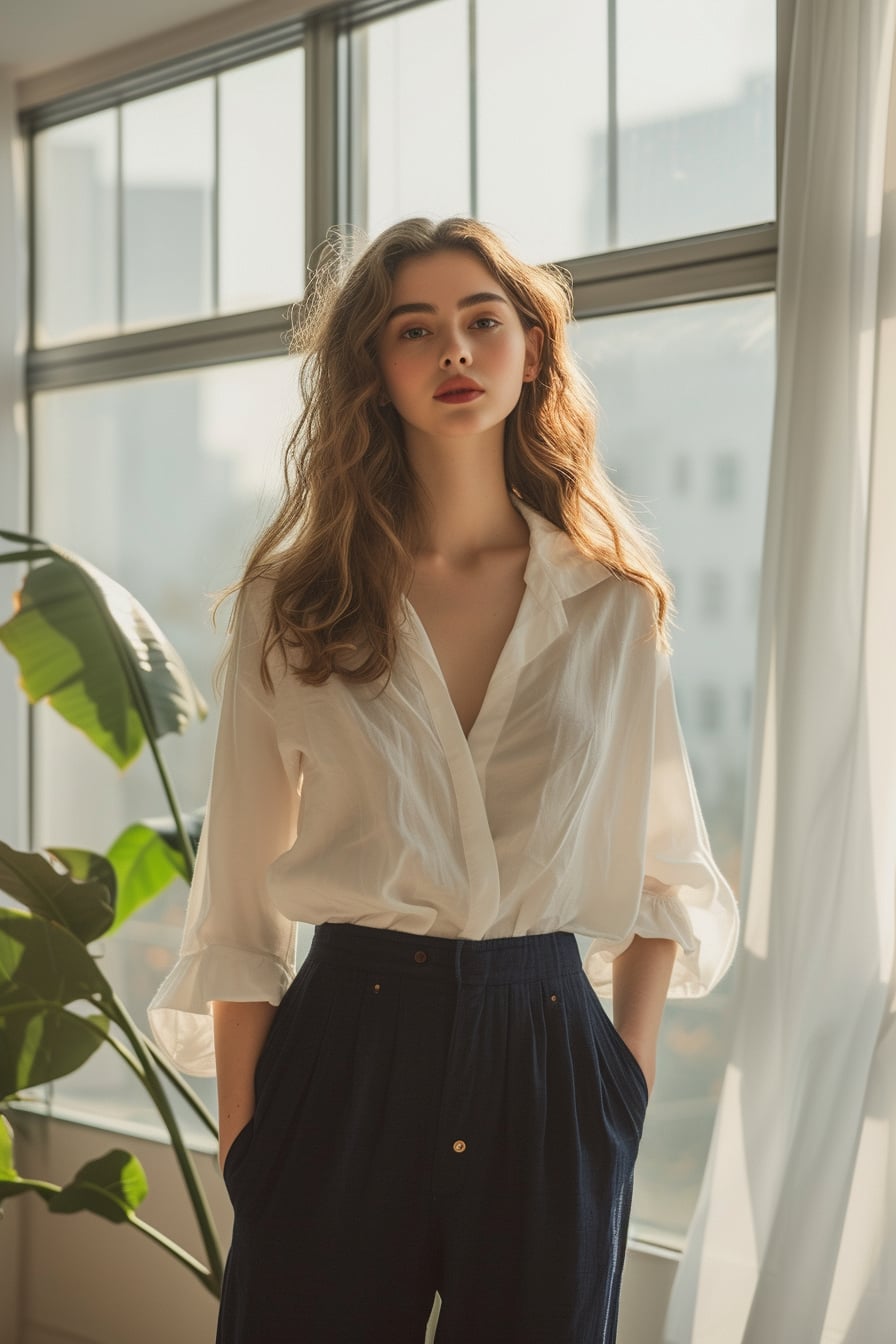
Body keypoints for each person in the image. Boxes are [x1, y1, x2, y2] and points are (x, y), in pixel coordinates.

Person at [147, 216, 739, 1344]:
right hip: (344, 1050)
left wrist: (625, 1077)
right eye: (414, 330)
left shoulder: (610, 607)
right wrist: (244, 1129)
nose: (454, 351)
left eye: (481, 321)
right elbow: (236, 897)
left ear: (530, 349)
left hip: (551, 1057)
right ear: (374, 369)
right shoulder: (295, 604)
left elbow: (666, 867)